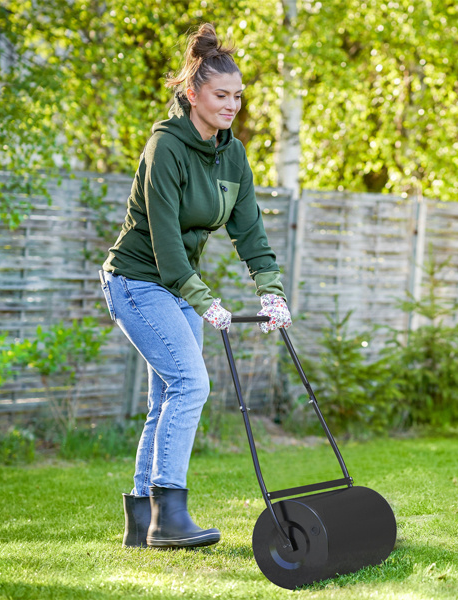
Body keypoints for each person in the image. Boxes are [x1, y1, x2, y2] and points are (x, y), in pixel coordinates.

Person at [99, 23, 292, 550]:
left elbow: (249, 228)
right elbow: (165, 246)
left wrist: (270, 290)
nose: (232, 105)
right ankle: (170, 515)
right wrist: (207, 303)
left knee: (166, 397)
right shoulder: (166, 147)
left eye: (238, 96)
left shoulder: (233, 155)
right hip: (137, 281)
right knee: (192, 384)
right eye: (221, 95)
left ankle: (142, 523)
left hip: (177, 287)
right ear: (193, 95)